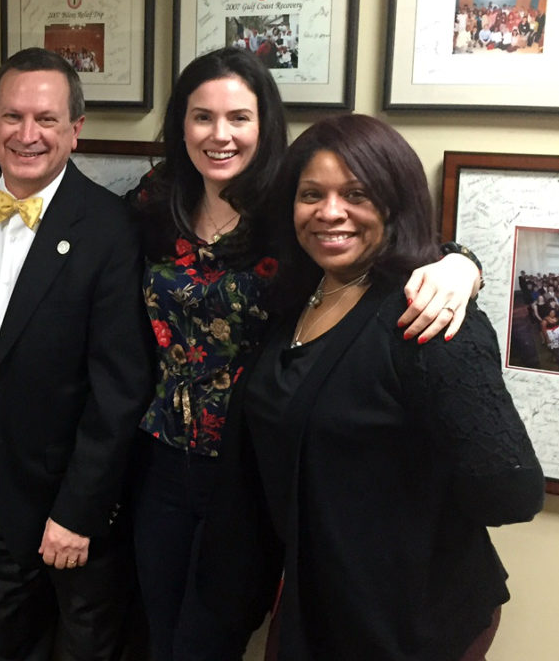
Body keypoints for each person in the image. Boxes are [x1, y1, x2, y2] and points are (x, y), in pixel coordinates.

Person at [0, 47, 482, 661]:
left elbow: (381, 243)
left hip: (249, 468)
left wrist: (459, 263)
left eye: (239, 117)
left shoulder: (293, 206)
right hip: (155, 464)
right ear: (182, 124)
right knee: (149, 632)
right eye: (202, 117)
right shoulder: (159, 198)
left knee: (208, 640)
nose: (220, 134)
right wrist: (9, 152)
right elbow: (68, 196)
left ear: (266, 125)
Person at [195, 113, 544, 660]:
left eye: (356, 193)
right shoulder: (299, 298)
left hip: (407, 619)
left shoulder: (425, 316)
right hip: (318, 599)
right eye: (311, 194)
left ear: (393, 201)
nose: (330, 212)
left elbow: (512, 489)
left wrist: (400, 500)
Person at [0, 47, 153, 661]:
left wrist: (78, 511)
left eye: (46, 120)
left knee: (85, 644)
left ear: (75, 130)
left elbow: (119, 390)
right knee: (3, 640)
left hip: (70, 495)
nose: (27, 134)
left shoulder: (110, 229)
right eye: (12, 117)